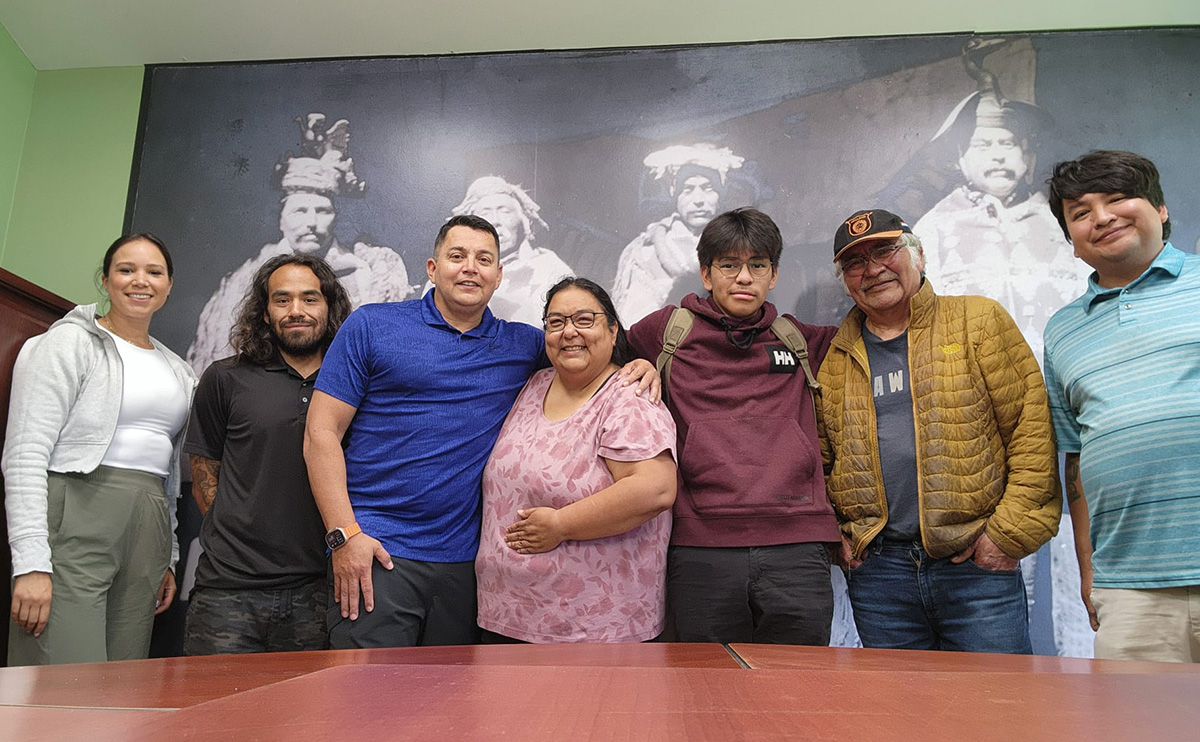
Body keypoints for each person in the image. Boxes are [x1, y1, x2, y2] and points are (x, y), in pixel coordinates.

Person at [304, 215, 658, 648]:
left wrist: (636, 364)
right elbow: (320, 433)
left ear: (498, 276)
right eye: (457, 256)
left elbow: (583, 350)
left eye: (484, 259)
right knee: (369, 688)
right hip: (378, 551)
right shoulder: (371, 326)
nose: (470, 267)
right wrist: (344, 535)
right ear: (432, 268)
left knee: (453, 691)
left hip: (468, 567)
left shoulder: (524, 345)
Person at [819, 208, 1060, 653]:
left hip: (975, 568)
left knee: (997, 696)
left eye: (885, 251)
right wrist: (839, 537)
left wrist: (1005, 537)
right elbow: (818, 460)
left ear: (918, 256)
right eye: (855, 262)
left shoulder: (978, 322)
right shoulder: (834, 359)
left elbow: (1032, 435)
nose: (872, 269)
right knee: (901, 699)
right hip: (881, 577)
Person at [627, 208, 840, 644]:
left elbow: (885, 329)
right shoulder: (666, 333)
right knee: (706, 680)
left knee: (800, 679)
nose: (744, 277)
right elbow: (590, 355)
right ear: (706, 274)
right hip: (700, 546)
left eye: (757, 265)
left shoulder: (799, 341)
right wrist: (633, 363)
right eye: (729, 265)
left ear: (774, 275)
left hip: (797, 544)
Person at [5, 234, 196, 666]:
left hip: (147, 526)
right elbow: (25, 453)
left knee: (123, 678)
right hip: (77, 510)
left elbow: (169, 474)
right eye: (126, 270)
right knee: (64, 678)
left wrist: (167, 555)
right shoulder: (66, 343)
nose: (140, 281)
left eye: (154, 272)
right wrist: (31, 563)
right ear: (106, 280)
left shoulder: (179, 370)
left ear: (168, 285)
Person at [1044, 150, 1200, 662]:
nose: (1102, 217)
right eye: (1080, 212)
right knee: (1135, 713)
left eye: (1117, 199)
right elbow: (1076, 457)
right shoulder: (1063, 331)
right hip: (1130, 591)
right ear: (1072, 242)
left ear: (1161, 209)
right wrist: (1090, 569)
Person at [475, 277, 677, 643]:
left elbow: (655, 489)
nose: (569, 332)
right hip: (506, 614)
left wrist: (560, 525)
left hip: (593, 628)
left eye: (584, 320)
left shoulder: (628, 397)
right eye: (556, 322)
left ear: (613, 331)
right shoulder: (535, 383)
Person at [182, 254, 352, 655]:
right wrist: (239, 537)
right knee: (213, 697)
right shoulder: (225, 378)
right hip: (228, 592)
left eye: (310, 298)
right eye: (282, 299)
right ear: (264, 312)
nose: (296, 311)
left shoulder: (352, 385)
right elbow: (205, 473)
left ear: (329, 308)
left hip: (320, 591)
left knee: (309, 701)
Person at [187, 113, 412, 374]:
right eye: (300, 211)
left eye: (323, 211)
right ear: (281, 218)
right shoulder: (242, 281)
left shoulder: (371, 272)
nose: (312, 222)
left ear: (336, 217)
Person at [612, 144, 745, 325]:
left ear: (720, 194)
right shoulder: (647, 251)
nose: (698, 200)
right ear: (674, 193)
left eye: (708, 188)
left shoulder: (741, 246)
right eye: (688, 189)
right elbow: (636, 321)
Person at [446, 176, 572, 325]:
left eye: (504, 212)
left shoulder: (550, 269)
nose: (495, 221)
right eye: (485, 214)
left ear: (523, 219)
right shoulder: (452, 273)